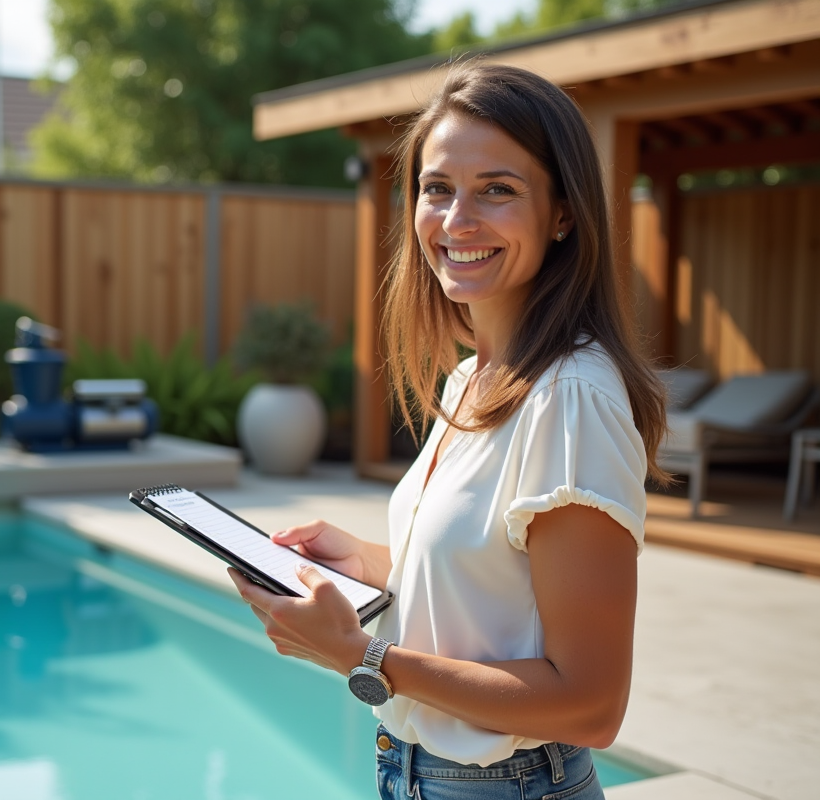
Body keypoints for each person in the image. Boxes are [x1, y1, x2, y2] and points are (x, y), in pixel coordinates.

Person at [228, 62, 668, 800]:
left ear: (562, 214)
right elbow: (497, 581)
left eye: (498, 189)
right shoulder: (472, 380)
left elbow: (590, 703)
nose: (457, 219)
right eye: (437, 189)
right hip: (420, 774)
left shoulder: (570, 400)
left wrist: (363, 656)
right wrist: (371, 564)